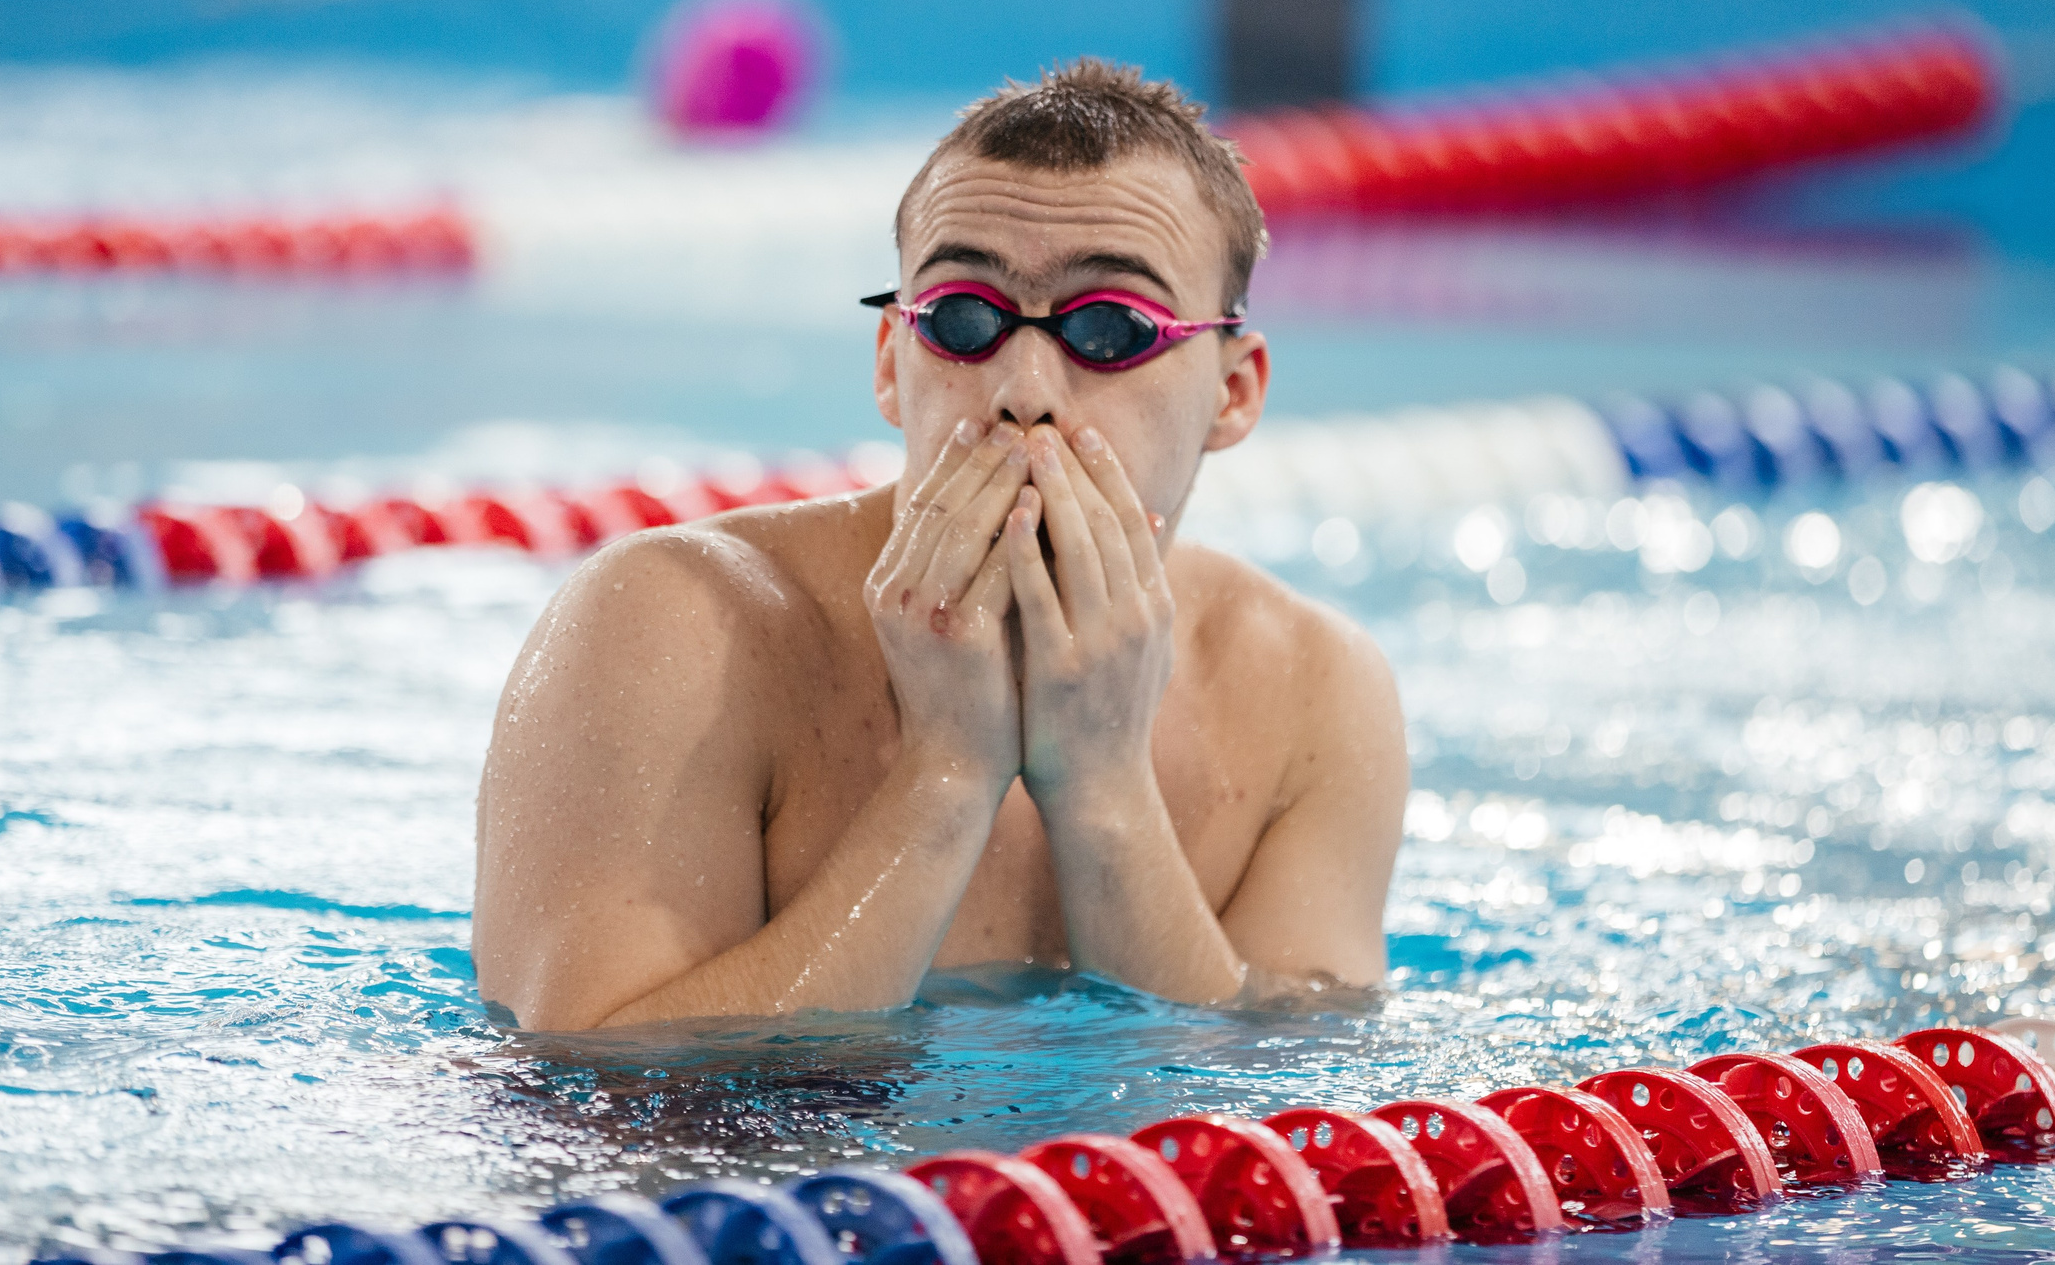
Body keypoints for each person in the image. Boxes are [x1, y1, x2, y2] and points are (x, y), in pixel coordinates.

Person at [473, 59, 1407, 1031]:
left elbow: (1273, 1108)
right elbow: (593, 1084)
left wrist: (1104, 790)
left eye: (1109, 328)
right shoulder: (672, 630)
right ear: (892, 360)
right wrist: (946, 775)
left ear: (1233, 392)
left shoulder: (1311, 691)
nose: (1024, 390)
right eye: (965, 319)